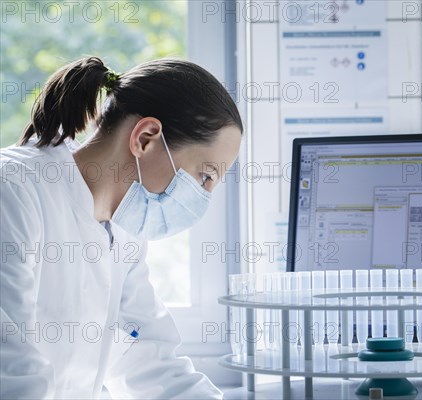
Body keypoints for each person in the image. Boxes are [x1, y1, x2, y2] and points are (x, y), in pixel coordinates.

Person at [0, 56, 243, 399]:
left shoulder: (121, 233)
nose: (203, 197)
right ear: (145, 138)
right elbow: (11, 374)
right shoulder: (13, 191)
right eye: (205, 176)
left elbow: (151, 364)